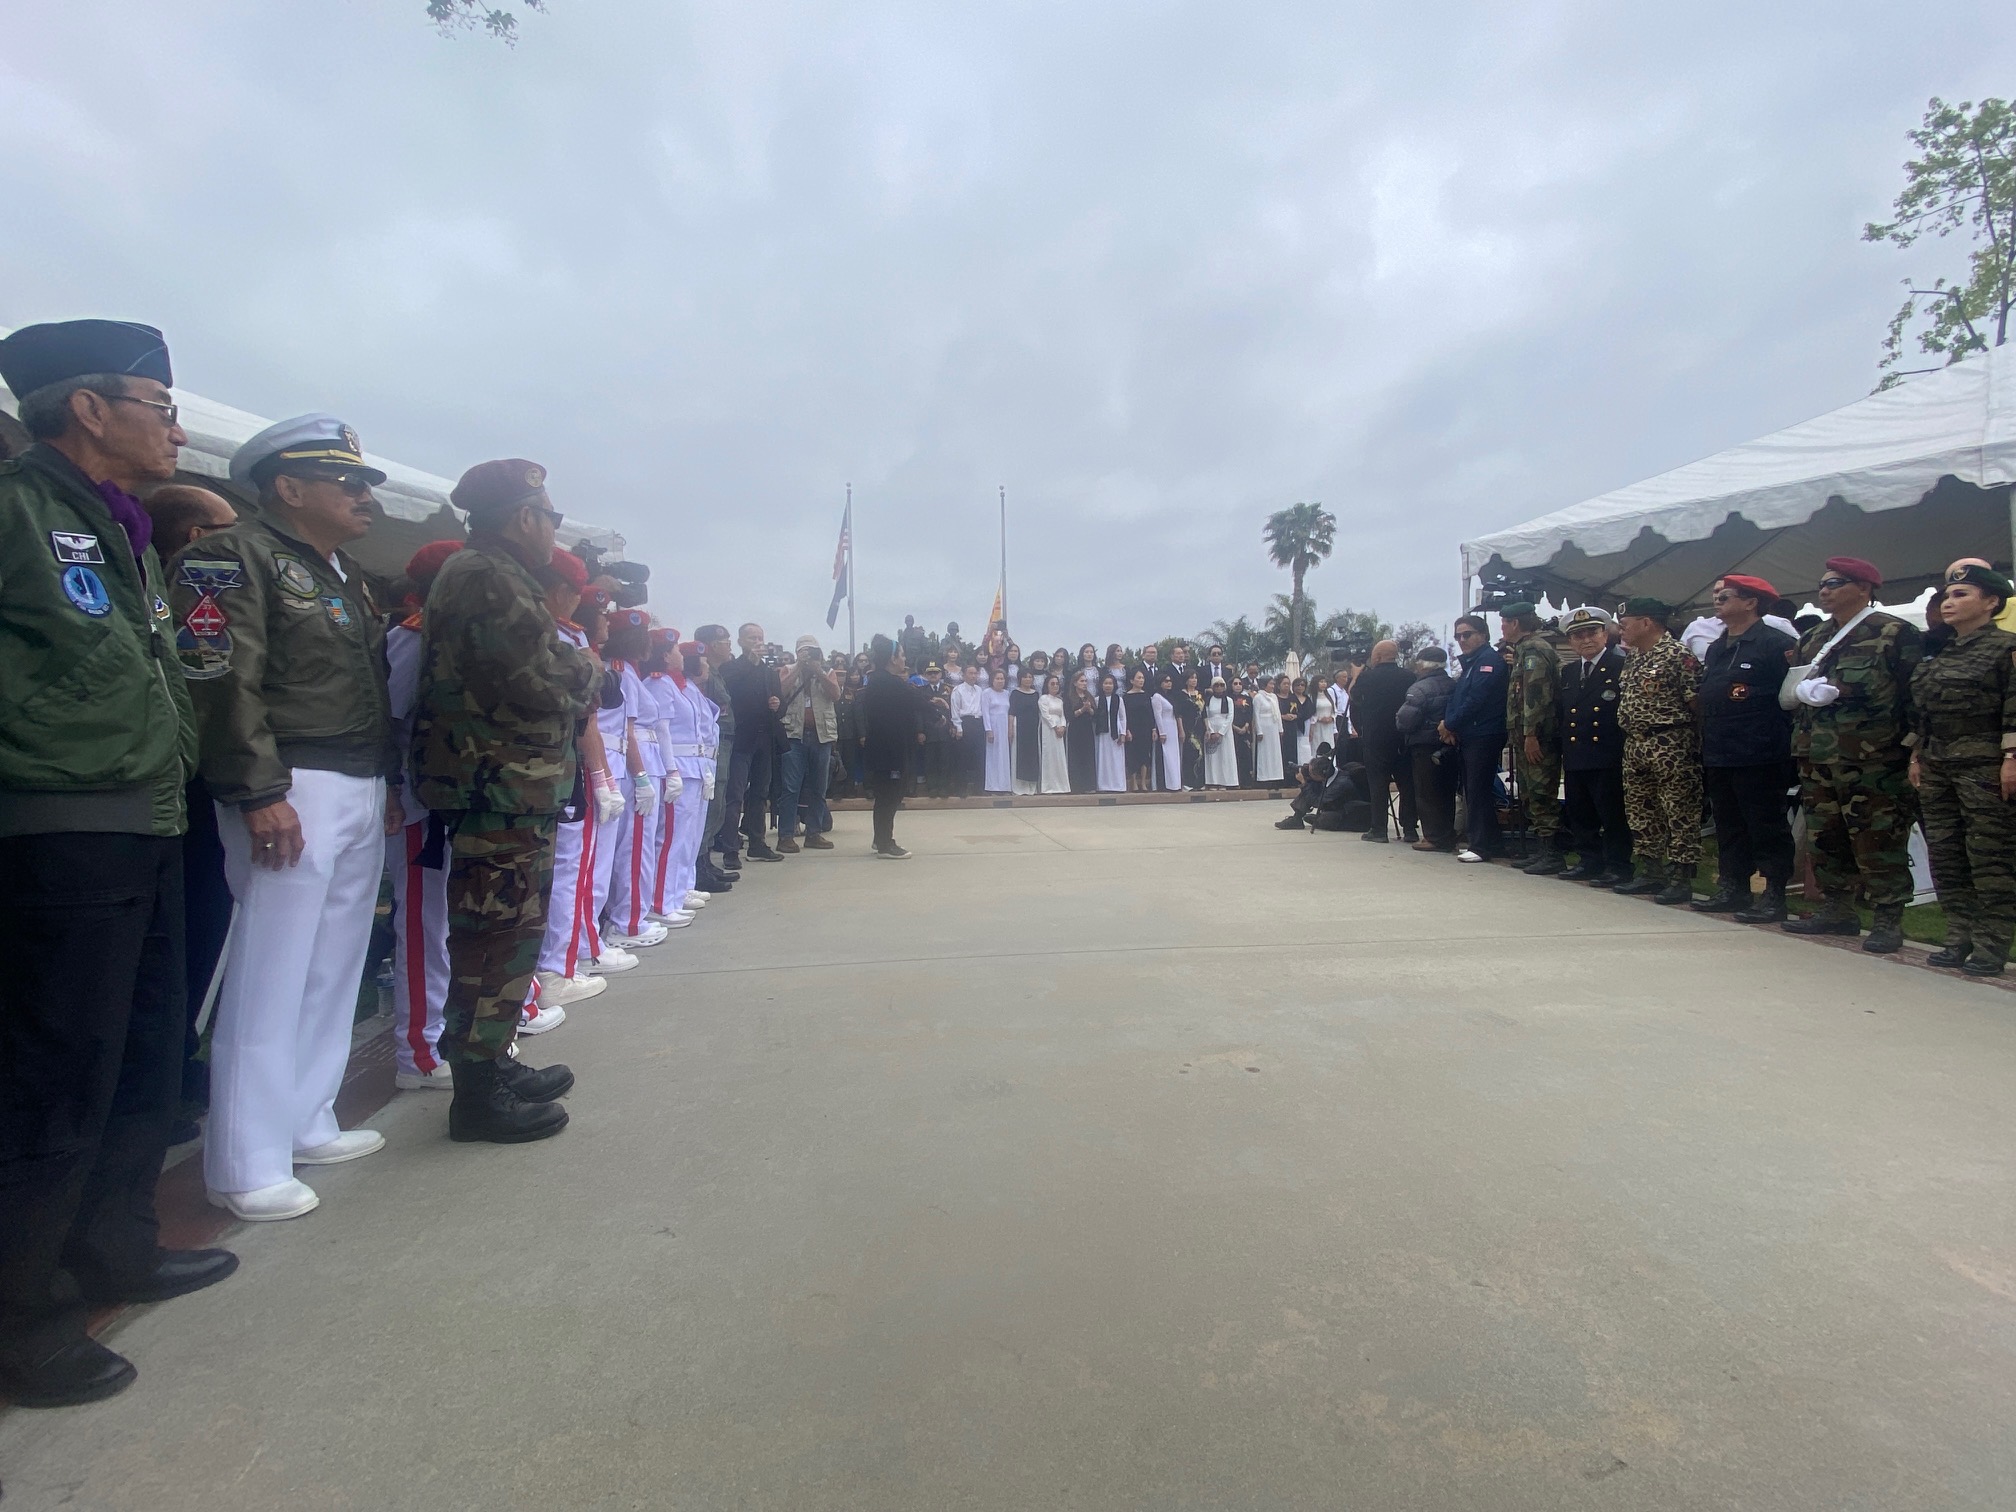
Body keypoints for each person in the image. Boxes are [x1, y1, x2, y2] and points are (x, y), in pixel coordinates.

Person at [0, 319, 237, 1408]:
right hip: (60, 822)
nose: (175, 430)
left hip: (147, 816)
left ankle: (115, 1243)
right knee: (55, 1077)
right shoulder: (19, 508)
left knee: (144, 1052)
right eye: (160, 407)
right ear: (89, 409)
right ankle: (25, 1317)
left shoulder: (121, 528)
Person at [177, 415, 398, 1222]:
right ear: (288, 487)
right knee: (272, 968)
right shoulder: (227, 557)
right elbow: (218, 676)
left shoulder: (343, 571)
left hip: (355, 777)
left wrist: (386, 781)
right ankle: (246, 1160)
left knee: (333, 964)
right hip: (289, 780)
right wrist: (257, 788)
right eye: (347, 482)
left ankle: (307, 1117)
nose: (363, 496)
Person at [413, 458, 600, 1144]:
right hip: (497, 786)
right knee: (493, 937)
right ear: (524, 517)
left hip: (511, 786)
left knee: (509, 933)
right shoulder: (487, 575)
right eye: (550, 517)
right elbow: (543, 676)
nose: (552, 530)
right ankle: (477, 1093)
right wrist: (592, 669)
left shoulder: (494, 572)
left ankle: (491, 1060)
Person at [145, 484, 240, 1138]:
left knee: (189, 937)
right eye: (227, 528)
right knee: (191, 931)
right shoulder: (193, 592)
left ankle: (173, 1072)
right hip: (191, 788)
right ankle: (170, 1075)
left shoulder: (160, 583)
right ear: (195, 538)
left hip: (183, 784)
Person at [1783, 557, 1922, 951]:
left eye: (1835, 583)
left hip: (1874, 759)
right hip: (1817, 755)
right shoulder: (1813, 638)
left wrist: (1913, 750)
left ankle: (1888, 917)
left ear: (1864, 588)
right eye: (1822, 584)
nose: (1824, 590)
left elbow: (1914, 697)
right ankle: (1837, 908)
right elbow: (1793, 691)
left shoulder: (1895, 633)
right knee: (1826, 837)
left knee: (1878, 839)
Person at [385, 541, 467, 1094]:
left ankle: (442, 1034)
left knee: (447, 923)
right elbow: (389, 722)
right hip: (418, 805)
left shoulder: (453, 636)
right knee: (422, 925)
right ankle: (419, 1050)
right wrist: (394, 789)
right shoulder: (413, 639)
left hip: (450, 799)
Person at [1909, 563, 2016, 974]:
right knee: (1946, 854)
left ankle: (1991, 945)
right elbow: (1924, 713)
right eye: (1947, 596)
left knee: (1990, 856)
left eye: (1961, 595)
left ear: (1991, 602)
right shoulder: (1942, 651)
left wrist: (2011, 759)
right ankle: (1958, 936)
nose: (1949, 603)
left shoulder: (2005, 649)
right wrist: (1917, 756)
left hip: (1984, 766)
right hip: (1938, 765)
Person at [1694, 576, 1798, 923]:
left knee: (1766, 824)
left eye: (1725, 596)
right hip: (1720, 750)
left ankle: (1774, 893)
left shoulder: (1775, 644)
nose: (1717, 601)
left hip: (1759, 752)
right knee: (1728, 824)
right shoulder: (1717, 647)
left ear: (1751, 602)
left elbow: (1791, 698)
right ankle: (1733, 886)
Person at [1613, 597, 1703, 904]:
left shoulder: (1677, 654)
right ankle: (1651, 871)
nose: (1621, 630)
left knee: (1679, 810)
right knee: (1641, 810)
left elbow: (1696, 702)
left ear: (1646, 622)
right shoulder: (1634, 657)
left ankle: (1681, 876)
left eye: (1625, 624)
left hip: (1670, 743)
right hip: (1636, 743)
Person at [1554, 607, 1632, 886]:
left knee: (1612, 814)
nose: (1586, 640)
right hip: (1577, 753)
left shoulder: (1621, 665)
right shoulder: (1569, 672)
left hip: (1608, 753)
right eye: (1578, 635)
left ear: (1605, 635)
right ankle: (1589, 860)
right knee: (1580, 812)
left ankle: (1618, 865)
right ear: (1570, 641)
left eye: (1592, 633)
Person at [1498, 603, 1563, 871]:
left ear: (1515, 623)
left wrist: (1531, 733)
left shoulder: (1534, 649)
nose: (1502, 628)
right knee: (1529, 793)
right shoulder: (1523, 650)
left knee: (1540, 792)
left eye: (1504, 622)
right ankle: (1542, 849)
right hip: (1525, 735)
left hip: (1537, 736)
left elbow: (1536, 696)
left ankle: (1553, 853)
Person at [1440, 614, 1508, 863]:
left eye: (1467, 634)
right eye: (1458, 636)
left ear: (1483, 635)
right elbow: (1457, 698)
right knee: (1473, 789)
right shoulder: (1472, 663)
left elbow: (1476, 699)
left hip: (1484, 733)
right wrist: (1448, 722)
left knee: (1478, 790)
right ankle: (1491, 842)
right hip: (1471, 733)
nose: (1462, 640)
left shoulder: (1488, 661)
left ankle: (1481, 845)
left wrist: (1450, 724)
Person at [718, 621, 784, 864]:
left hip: (764, 739)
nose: (757, 643)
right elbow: (728, 688)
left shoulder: (769, 672)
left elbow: (781, 706)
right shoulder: (731, 668)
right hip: (740, 739)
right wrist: (749, 662)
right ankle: (730, 849)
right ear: (740, 641)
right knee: (734, 795)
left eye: (760, 638)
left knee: (760, 793)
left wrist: (778, 705)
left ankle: (757, 843)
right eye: (752, 638)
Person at [857, 635, 926, 857]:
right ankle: (885, 843)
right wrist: (937, 713)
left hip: (885, 748)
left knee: (887, 795)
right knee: (890, 795)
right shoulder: (888, 682)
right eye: (902, 655)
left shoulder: (879, 680)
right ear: (892, 659)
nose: (904, 659)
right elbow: (916, 701)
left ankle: (880, 839)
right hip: (889, 750)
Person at [776, 633, 839, 851]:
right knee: (790, 787)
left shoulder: (827, 671)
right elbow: (780, 692)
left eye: (812, 651)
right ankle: (785, 836)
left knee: (819, 788)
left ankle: (814, 833)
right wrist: (798, 668)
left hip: (821, 736)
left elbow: (835, 695)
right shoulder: (788, 670)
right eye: (804, 651)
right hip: (794, 735)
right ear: (797, 652)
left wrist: (817, 670)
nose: (809, 655)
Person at [1350, 640, 1414, 843]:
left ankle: (1379, 829)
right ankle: (1410, 829)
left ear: (1377, 657)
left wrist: (1355, 676)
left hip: (1376, 738)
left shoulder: (1367, 677)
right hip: (1403, 736)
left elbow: (1354, 698)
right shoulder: (1409, 676)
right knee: (1407, 784)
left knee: (1378, 783)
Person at [1396, 647, 1458, 852]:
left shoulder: (1419, 688)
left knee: (1426, 792)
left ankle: (1433, 836)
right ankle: (1447, 834)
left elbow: (1406, 720)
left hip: (1424, 744)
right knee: (1447, 791)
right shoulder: (1453, 684)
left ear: (1422, 665)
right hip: (1449, 743)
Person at [950, 661, 986, 796]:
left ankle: (979, 788)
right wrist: (958, 727)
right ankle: (961, 788)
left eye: (975, 673)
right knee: (963, 756)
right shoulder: (958, 690)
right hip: (965, 723)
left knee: (979, 756)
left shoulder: (980, 690)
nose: (973, 676)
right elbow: (955, 710)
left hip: (978, 723)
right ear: (963, 675)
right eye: (970, 673)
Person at [1008, 667, 1042, 795]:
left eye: (1030, 677)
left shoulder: (1036, 694)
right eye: (1025, 677)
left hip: (1033, 729)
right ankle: (1019, 787)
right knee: (1020, 756)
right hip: (1019, 727)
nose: (1028, 679)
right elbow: (1011, 712)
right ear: (1020, 679)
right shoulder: (1015, 693)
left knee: (1032, 757)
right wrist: (1010, 729)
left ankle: (1031, 787)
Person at [1121, 669, 1156, 792]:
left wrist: (1153, 729)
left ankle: (1143, 782)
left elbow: (1151, 713)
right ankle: (1134, 782)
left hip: (1145, 728)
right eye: (1138, 678)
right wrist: (1127, 730)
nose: (1141, 680)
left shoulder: (1147, 695)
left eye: (1142, 678)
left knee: (1145, 755)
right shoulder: (1126, 697)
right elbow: (1124, 715)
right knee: (1132, 755)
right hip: (1132, 729)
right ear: (1132, 680)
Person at [1095, 671, 1130, 791]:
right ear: (1101, 685)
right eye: (1106, 683)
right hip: (1102, 733)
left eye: (1110, 683)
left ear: (1114, 685)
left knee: (1116, 758)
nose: (1108, 686)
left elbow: (1123, 717)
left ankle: (1118, 785)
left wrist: (1123, 733)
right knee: (1103, 758)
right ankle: (1103, 785)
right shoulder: (1097, 700)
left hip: (1116, 732)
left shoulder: (1119, 699)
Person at [1151, 672, 1185, 792]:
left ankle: (1174, 783)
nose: (1168, 683)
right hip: (1164, 727)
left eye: (1170, 681)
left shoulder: (1171, 696)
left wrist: (1179, 729)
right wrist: (1162, 732)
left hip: (1173, 727)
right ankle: (1163, 784)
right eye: (1166, 681)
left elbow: (1176, 714)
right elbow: (1158, 715)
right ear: (1160, 683)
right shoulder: (1157, 696)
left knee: (1173, 756)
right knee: (1165, 755)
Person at [981, 667, 1013, 793]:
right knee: (993, 756)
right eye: (997, 678)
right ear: (992, 680)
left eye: (1002, 679)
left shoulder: (1007, 693)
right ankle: (992, 786)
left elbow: (1008, 712)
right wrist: (988, 730)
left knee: (1004, 756)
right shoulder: (987, 693)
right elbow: (985, 712)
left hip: (1004, 727)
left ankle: (1004, 786)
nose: (1000, 681)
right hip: (993, 726)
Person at [1202, 678, 1238, 788]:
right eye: (1216, 685)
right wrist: (1211, 731)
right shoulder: (1208, 700)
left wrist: (1221, 732)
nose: (1219, 687)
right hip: (1211, 730)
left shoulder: (1229, 700)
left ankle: (1226, 782)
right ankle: (1213, 782)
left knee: (1225, 756)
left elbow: (1230, 717)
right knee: (1213, 758)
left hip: (1225, 731)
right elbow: (1206, 716)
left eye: (1221, 685)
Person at [1038, 674, 1071, 793]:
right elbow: (1045, 714)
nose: (1055, 686)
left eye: (1057, 684)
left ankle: (1061, 786)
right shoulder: (1043, 698)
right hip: (1048, 729)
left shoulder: (1059, 700)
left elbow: (1062, 715)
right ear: (1047, 685)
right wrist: (1055, 727)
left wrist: (1062, 726)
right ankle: (1048, 786)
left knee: (1059, 755)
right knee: (1049, 755)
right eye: (1052, 684)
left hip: (1059, 730)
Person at [1067, 672, 1100, 792]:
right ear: (1075, 683)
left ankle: (1089, 785)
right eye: (1082, 681)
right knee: (1076, 756)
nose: (1084, 683)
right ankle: (1076, 786)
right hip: (1075, 729)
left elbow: (1095, 715)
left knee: (1088, 756)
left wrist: (1089, 709)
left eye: (1086, 681)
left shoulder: (1089, 696)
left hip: (1087, 729)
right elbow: (1069, 715)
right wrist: (1082, 709)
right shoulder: (1069, 697)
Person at [1251, 674, 1285, 786]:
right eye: (1270, 684)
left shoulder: (1274, 697)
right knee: (1265, 753)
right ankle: (1264, 777)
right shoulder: (1258, 697)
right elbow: (1256, 715)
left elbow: (1278, 713)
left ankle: (1276, 776)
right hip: (1264, 727)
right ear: (1264, 684)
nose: (1273, 686)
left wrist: (1280, 728)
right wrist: (1259, 731)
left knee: (1275, 752)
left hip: (1273, 727)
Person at [1275, 675, 1304, 780]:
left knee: (1292, 752)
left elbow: (1301, 713)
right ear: (1279, 685)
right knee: (1282, 752)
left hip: (1292, 728)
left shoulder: (1293, 698)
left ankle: (1292, 777)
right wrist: (1283, 716)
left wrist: (1295, 716)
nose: (1287, 686)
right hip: (1281, 728)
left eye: (1288, 684)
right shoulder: (1275, 698)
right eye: (1284, 684)